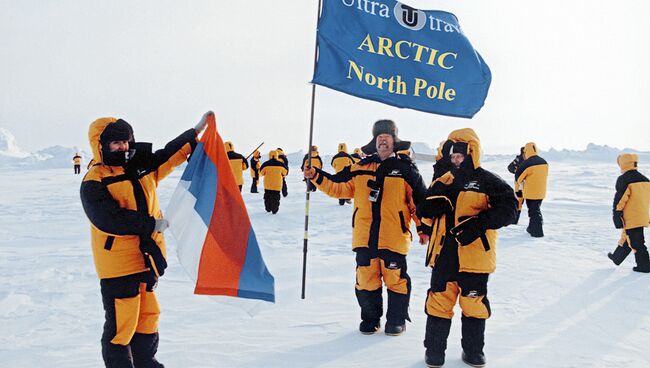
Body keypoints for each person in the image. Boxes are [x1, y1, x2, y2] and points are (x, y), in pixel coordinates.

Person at [80, 112, 211, 368]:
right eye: (116, 143)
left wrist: (194, 134)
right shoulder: (95, 180)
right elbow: (108, 219)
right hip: (118, 266)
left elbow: (167, 156)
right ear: (101, 145)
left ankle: (146, 363)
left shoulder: (139, 168)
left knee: (148, 316)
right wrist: (151, 224)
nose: (123, 147)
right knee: (122, 324)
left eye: (126, 141)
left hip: (146, 258)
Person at [304, 120, 429, 336]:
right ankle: (370, 319)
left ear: (394, 141)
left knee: (396, 279)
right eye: (379, 136)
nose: (382, 139)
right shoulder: (360, 167)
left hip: (394, 236)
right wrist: (316, 176)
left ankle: (396, 320)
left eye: (387, 136)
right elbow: (338, 186)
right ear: (374, 141)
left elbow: (419, 201)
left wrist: (423, 227)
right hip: (364, 236)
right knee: (366, 279)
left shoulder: (406, 169)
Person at [416, 128, 517, 368]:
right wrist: (427, 211)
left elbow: (511, 209)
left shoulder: (487, 180)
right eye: (452, 156)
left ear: (472, 153)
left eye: (460, 155)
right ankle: (434, 352)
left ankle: (473, 352)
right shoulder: (443, 181)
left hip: (475, 257)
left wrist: (478, 224)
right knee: (439, 302)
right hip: (444, 255)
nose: (456, 160)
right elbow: (425, 216)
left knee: (473, 304)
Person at [608, 153, 649, 273]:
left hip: (632, 217)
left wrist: (616, 214)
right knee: (627, 238)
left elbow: (620, 199)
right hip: (642, 215)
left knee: (637, 243)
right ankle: (617, 258)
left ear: (623, 163)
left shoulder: (624, 179)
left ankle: (644, 266)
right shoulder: (645, 180)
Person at [514, 142, 548, 237]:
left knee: (533, 211)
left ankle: (537, 232)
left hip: (531, 192)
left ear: (526, 151)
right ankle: (531, 228)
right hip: (541, 192)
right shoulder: (544, 161)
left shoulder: (527, 163)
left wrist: (518, 189)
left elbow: (518, 177)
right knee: (536, 209)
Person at [260, 150, 288, 214]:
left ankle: (268, 208)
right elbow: (285, 173)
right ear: (277, 155)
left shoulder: (265, 164)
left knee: (267, 197)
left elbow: (261, 173)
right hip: (277, 184)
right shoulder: (281, 164)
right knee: (276, 197)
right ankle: (274, 210)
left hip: (267, 184)